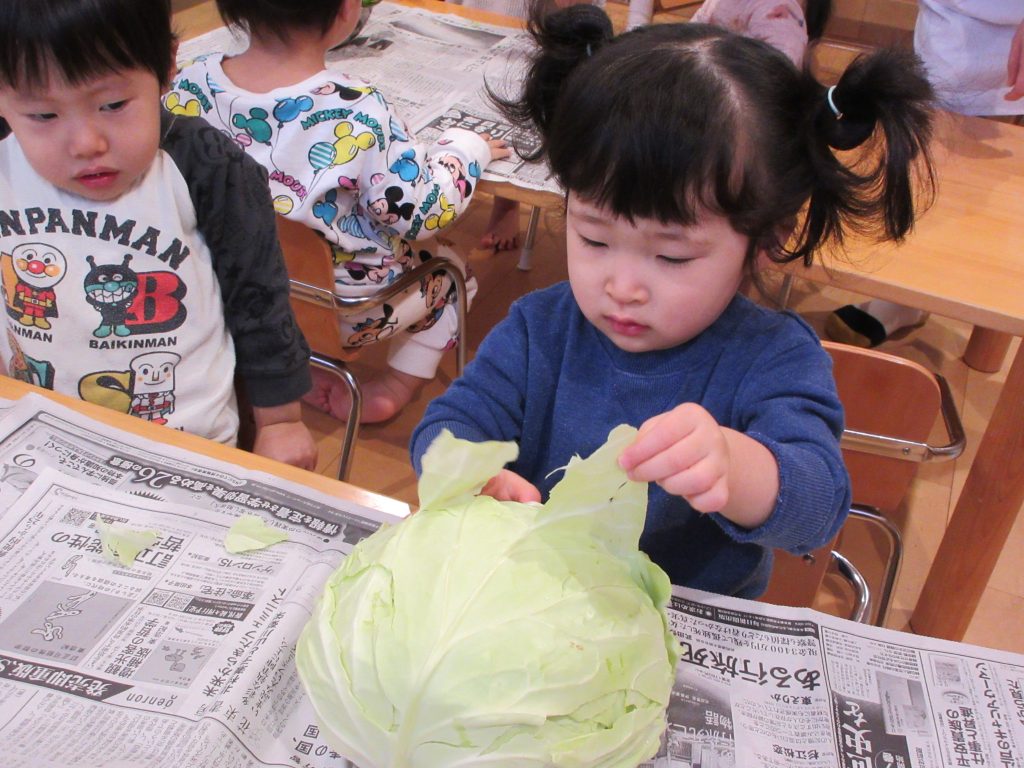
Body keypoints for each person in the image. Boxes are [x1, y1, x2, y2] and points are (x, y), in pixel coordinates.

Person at [410, 2, 936, 597]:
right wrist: (473, 474)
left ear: (768, 239)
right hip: (540, 594)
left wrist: (736, 467)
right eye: (594, 239)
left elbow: (817, 509)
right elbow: (448, 425)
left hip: (684, 617)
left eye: (672, 257)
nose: (623, 287)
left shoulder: (773, 358)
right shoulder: (541, 328)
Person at [0, 0, 318, 470]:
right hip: (44, 437)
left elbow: (258, 301)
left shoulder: (207, 167)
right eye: (43, 116)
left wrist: (280, 422)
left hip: (190, 445)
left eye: (113, 105)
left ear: (166, 66)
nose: (86, 144)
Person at [167, 0, 509, 424]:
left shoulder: (187, 81)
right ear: (348, 9)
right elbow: (423, 215)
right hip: (343, 310)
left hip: (220, 287)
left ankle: (294, 361)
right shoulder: (360, 110)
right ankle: (392, 388)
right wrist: (467, 149)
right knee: (454, 273)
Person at [826, 0, 1024, 348]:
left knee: (988, 172)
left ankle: (983, 320)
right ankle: (908, 292)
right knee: (935, 139)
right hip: (957, 17)